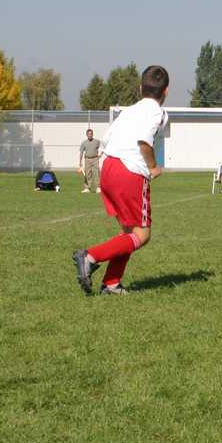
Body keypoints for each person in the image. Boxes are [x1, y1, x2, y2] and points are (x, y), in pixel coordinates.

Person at [72, 65, 170, 296]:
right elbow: (144, 142)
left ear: (140, 87)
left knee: (128, 232)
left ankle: (111, 283)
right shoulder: (158, 113)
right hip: (129, 171)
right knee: (142, 235)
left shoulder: (128, 111)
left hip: (108, 166)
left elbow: (107, 139)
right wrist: (153, 167)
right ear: (166, 91)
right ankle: (90, 256)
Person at [78, 128, 103, 193]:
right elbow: (81, 152)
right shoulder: (84, 143)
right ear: (87, 135)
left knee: (96, 174)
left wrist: (101, 155)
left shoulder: (97, 141)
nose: (90, 135)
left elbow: (103, 148)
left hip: (95, 159)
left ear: (92, 134)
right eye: (88, 134)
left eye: (91, 134)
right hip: (87, 159)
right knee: (87, 174)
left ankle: (98, 188)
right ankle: (87, 188)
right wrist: (80, 162)